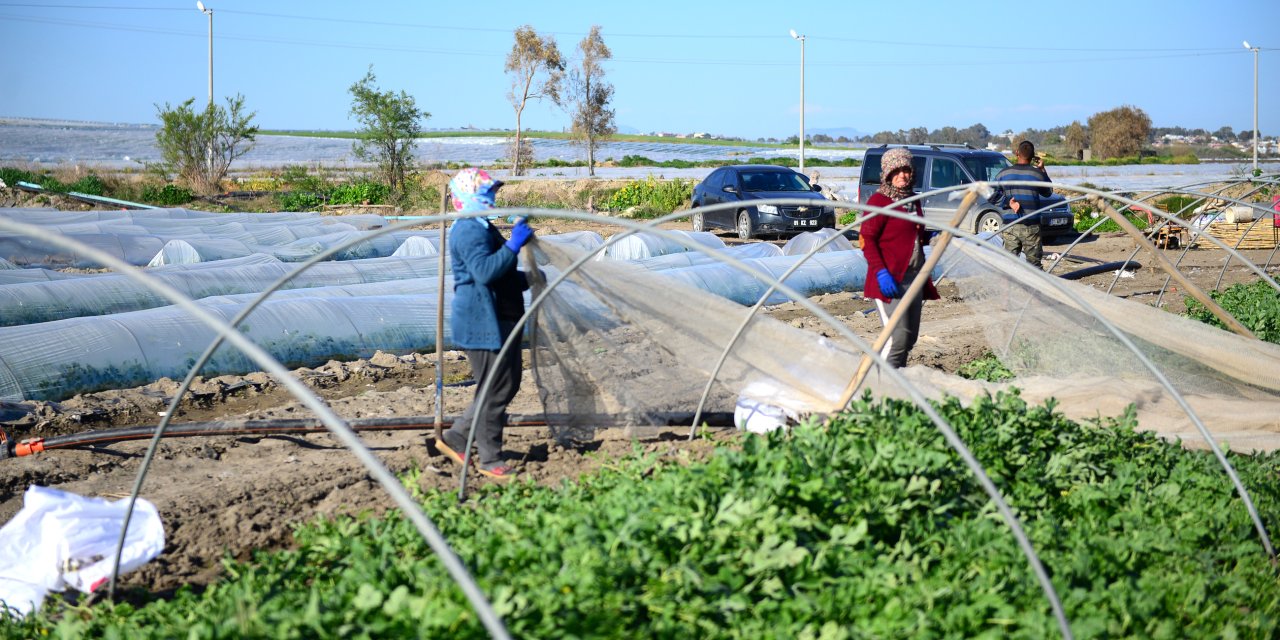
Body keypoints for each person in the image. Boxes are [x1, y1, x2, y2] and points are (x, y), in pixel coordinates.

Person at [435, 168, 534, 481]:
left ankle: (457, 437)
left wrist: (528, 278)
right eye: (487, 192)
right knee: (495, 388)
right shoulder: (468, 229)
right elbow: (484, 272)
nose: (492, 197)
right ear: (469, 196)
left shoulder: (483, 226)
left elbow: (500, 274)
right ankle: (490, 458)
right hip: (481, 322)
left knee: (505, 384)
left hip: (500, 317)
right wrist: (513, 245)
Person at [860, 147, 939, 368]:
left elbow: (910, 234)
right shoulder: (879, 202)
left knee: (909, 338)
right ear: (887, 173)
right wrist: (881, 273)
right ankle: (883, 383)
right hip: (890, 280)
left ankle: (897, 380)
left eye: (906, 170)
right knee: (896, 339)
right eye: (896, 171)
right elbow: (866, 241)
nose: (902, 175)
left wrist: (931, 236)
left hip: (913, 278)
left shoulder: (912, 200)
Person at [991, 140, 1053, 269]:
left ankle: (1010, 282)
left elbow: (991, 194)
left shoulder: (1004, 174)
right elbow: (1048, 192)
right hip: (1031, 226)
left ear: (1017, 153)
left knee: (1009, 265)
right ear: (1033, 156)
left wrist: (1007, 202)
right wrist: (1042, 170)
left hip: (1010, 226)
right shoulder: (1037, 174)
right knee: (1034, 266)